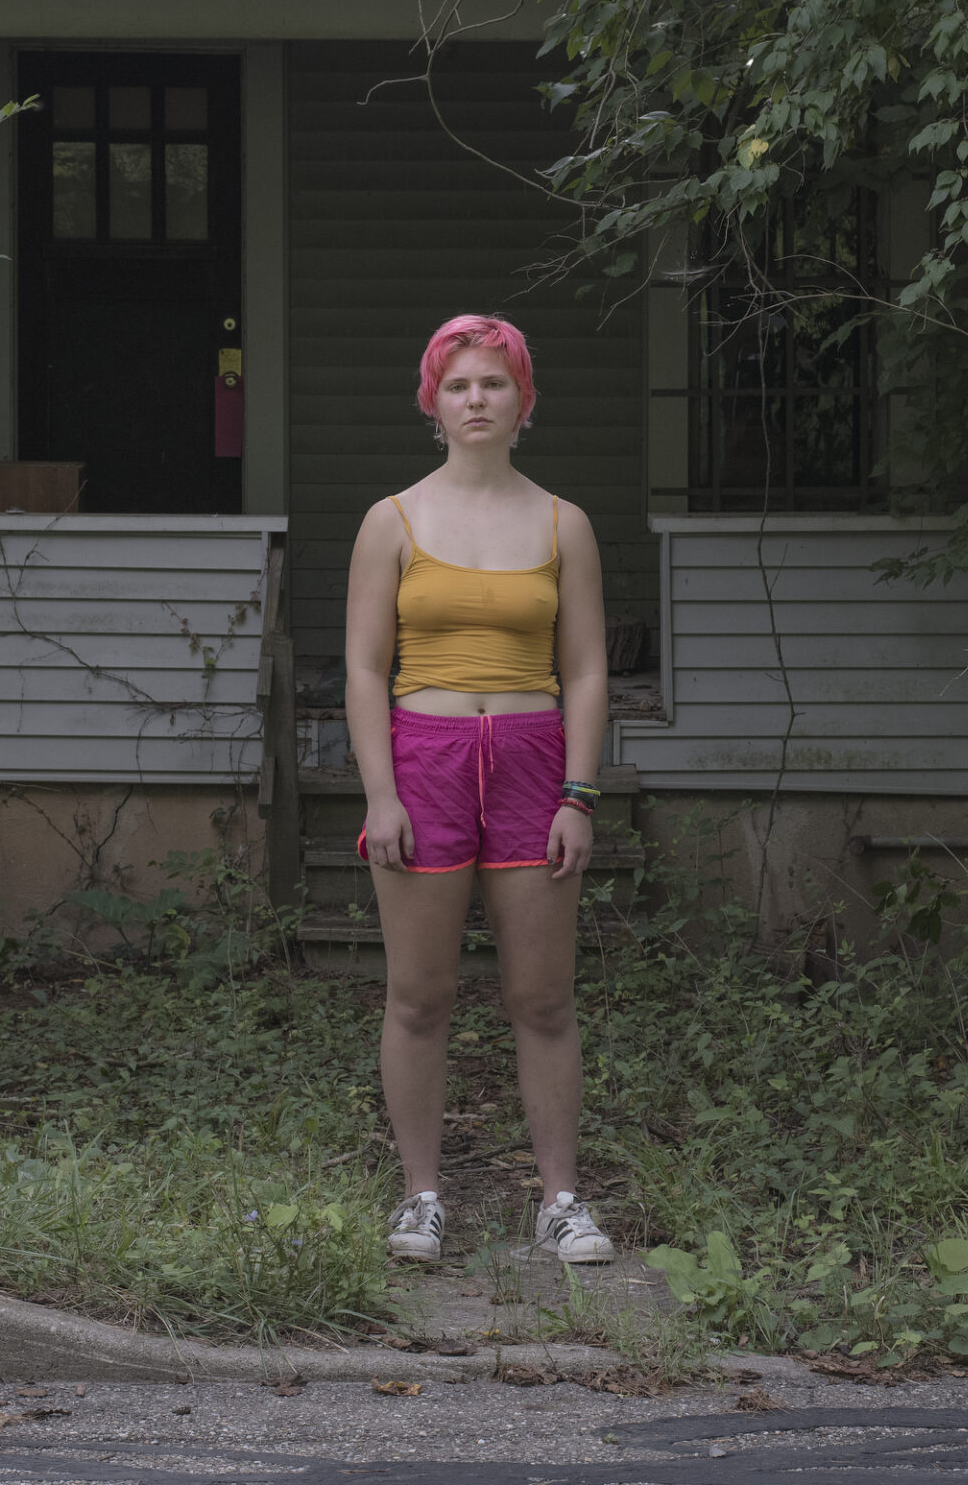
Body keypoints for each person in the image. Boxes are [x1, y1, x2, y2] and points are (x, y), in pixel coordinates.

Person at [344, 313, 615, 1266]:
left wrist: (578, 794)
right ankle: (421, 1197)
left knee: (542, 998)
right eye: (458, 384)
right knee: (419, 995)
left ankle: (562, 1200)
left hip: (536, 763)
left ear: (522, 398)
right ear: (433, 398)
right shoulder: (393, 520)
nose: (475, 400)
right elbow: (364, 670)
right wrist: (381, 794)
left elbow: (584, 670)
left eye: (493, 384)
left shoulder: (561, 522)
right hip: (426, 758)